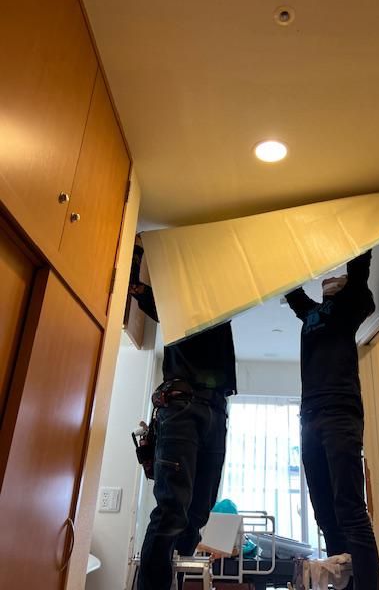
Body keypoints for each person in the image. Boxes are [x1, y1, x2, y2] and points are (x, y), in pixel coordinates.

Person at [128, 239, 236, 590]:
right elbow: (141, 293)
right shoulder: (179, 299)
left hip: (216, 410)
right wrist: (137, 254)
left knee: (197, 513)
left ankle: (171, 578)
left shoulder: (223, 303)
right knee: (172, 509)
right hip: (181, 406)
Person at [285, 250, 379, 590]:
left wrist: (356, 237)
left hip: (340, 413)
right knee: (324, 513)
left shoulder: (349, 305)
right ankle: (347, 583)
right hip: (309, 417)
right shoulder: (311, 313)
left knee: (350, 509)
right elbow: (291, 291)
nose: (329, 280)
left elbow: (359, 264)